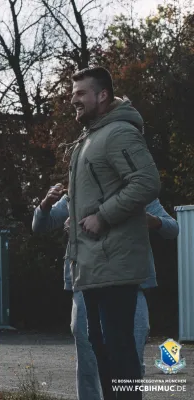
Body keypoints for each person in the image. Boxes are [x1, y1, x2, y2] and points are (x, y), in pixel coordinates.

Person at [67, 66, 161, 399]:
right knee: (102, 349)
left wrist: (103, 217)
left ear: (102, 95)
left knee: (118, 351)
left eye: (81, 93)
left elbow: (146, 182)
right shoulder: (92, 136)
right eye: (73, 92)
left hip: (115, 265)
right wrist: (78, 219)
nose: (73, 99)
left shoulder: (118, 132)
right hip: (93, 265)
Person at [33, 185, 179, 399]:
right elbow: (40, 225)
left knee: (132, 358)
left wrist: (151, 220)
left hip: (131, 284)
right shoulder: (77, 192)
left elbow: (172, 228)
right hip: (86, 283)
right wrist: (46, 202)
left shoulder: (138, 194)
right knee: (88, 363)